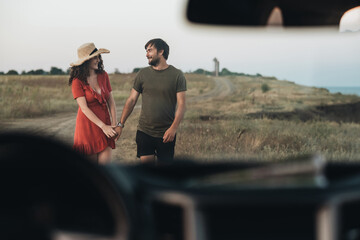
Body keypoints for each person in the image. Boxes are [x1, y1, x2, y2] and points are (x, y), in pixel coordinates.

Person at [114, 38, 187, 163]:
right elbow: (131, 100)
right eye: (146, 51)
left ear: (161, 52)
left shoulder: (177, 75)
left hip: (166, 133)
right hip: (144, 131)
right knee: (147, 172)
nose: (147, 54)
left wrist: (173, 128)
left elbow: (182, 105)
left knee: (164, 175)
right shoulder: (142, 74)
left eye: (150, 50)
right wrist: (120, 124)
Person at [69, 42, 117, 164]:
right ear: (86, 61)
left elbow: (111, 101)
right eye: (94, 57)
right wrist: (103, 126)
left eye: (98, 56)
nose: (98, 60)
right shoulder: (77, 81)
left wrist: (114, 123)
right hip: (87, 128)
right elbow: (84, 108)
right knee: (90, 172)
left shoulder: (103, 75)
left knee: (105, 171)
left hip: (105, 125)